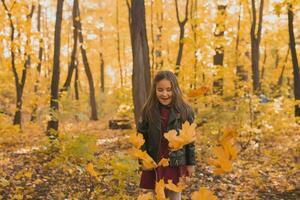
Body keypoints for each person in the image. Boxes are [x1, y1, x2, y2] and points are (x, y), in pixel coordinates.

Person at [137, 70, 196, 200]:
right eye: (160, 90)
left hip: (175, 162)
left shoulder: (185, 111)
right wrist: (143, 160)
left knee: (174, 195)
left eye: (169, 89)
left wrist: (190, 163)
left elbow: (190, 141)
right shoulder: (148, 111)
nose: (165, 94)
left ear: (175, 89)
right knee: (153, 195)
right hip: (154, 160)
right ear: (155, 90)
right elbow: (140, 138)